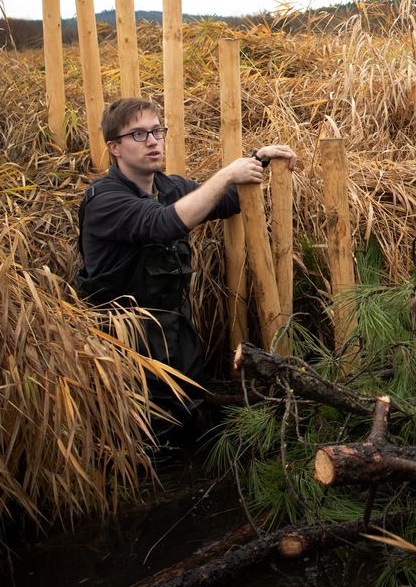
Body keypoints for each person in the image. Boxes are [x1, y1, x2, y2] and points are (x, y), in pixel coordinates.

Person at [77, 97, 297, 445]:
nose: (152, 141)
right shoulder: (105, 200)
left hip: (174, 333)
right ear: (114, 148)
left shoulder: (168, 187)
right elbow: (164, 224)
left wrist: (258, 162)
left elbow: (224, 202)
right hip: (122, 346)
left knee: (189, 426)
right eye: (137, 134)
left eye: (156, 131)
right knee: (147, 443)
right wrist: (227, 173)